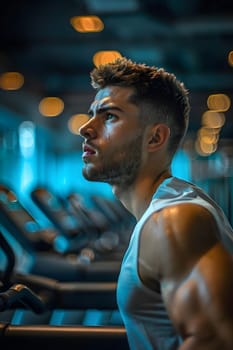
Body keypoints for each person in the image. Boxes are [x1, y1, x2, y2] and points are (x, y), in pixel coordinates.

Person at [78, 57, 233, 350]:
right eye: (91, 115)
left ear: (155, 137)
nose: (86, 127)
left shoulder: (174, 220)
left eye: (109, 116)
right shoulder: (169, 208)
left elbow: (217, 341)